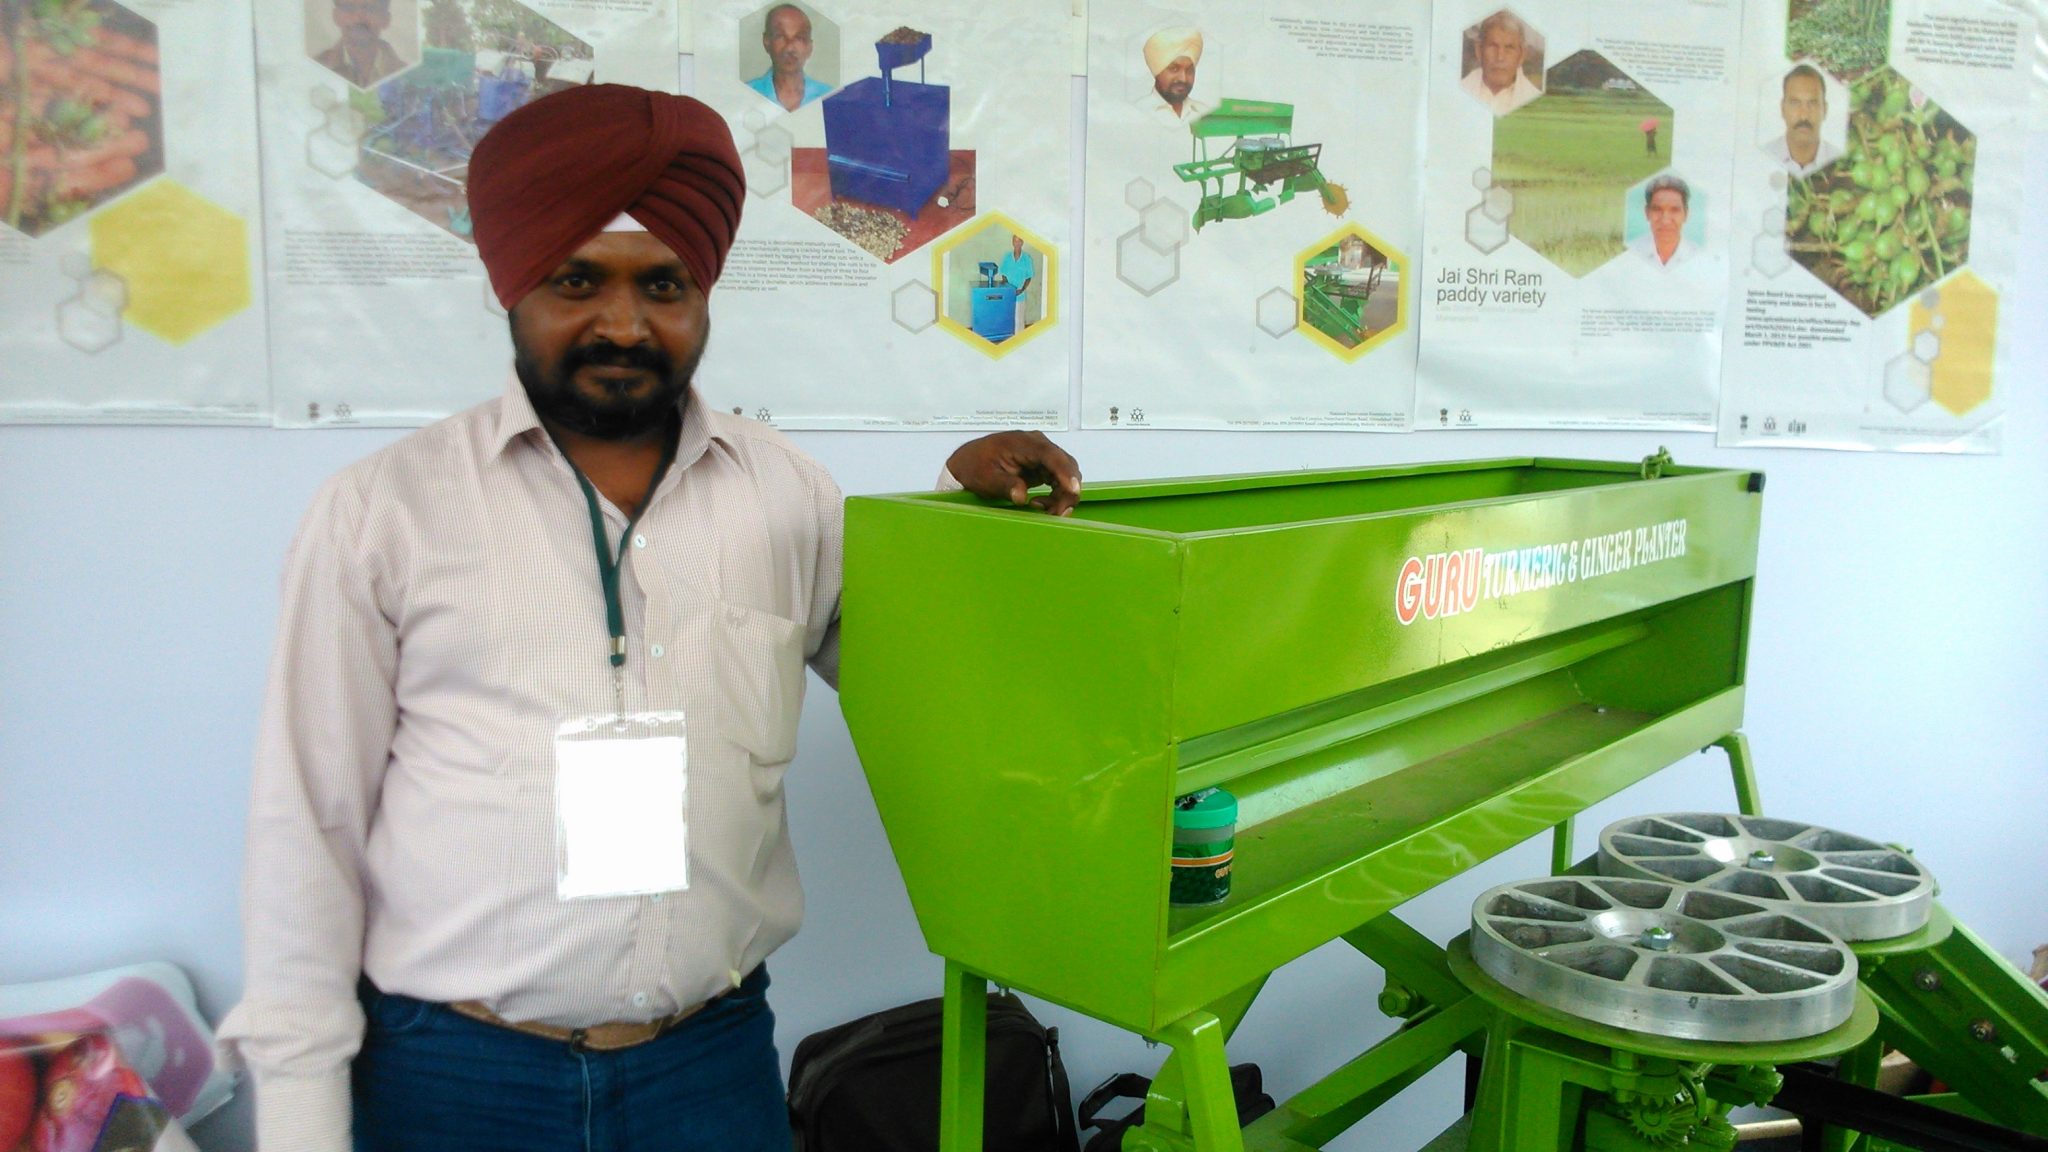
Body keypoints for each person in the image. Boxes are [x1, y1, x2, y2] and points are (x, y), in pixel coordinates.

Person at [217, 84, 1081, 1152]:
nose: (623, 323)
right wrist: (301, 1124)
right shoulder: (382, 513)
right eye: (578, 280)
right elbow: (306, 826)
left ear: (704, 297)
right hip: (453, 1074)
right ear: (513, 288)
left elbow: (929, 679)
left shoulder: (787, 494)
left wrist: (969, 518)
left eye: (663, 284)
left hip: (706, 1069)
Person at [746, 4, 829, 112]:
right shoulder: (745, 94)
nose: (789, 48)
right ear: (766, 42)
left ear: (809, 47)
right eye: (780, 36)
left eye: (799, 38)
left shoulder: (829, 96)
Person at [1460, 11, 1541, 116]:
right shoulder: (1460, 89)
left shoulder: (1535, 98)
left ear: (1521, 55)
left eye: (1509, 48)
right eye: (1493, 46)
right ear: (1479, 51)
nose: (1500, 57)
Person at [314, 0, 408, 89]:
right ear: (336, 16)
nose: (358, 18)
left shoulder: (407, 75)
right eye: (348, 8)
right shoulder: (315, 68)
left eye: (370, 8)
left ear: (385, 19)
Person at [1772, 64, 1841, 177]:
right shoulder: (1764, 157)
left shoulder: (1838, 159)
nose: (1804, 116)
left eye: (1812, 103)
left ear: (1825, 110)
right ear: (1783, 109)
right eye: (1795, 103)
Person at [1142, 26, 1210, 127]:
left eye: (1189, 70)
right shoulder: (1138, 111)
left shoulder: (1205, 112)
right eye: (1174, 69)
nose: (1183, 78)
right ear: (1157, 71)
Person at [1630, 173, 1699, 268]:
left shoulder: (1698, 256)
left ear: (1685, 214)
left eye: (1674, 210)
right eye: (1657, 209)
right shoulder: (1631, 252)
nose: (1665, 221)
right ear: (1647, 213)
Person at [998, 233, 1035, 331]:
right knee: (1007, 318)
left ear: (1022, 242)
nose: (1017, 243)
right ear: (1012, 242)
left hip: (1020, 294)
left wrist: (1022, 289)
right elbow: (1003, 274)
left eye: (1019, 241)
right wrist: (1009, 288)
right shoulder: (1007, 257)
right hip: (1008, 294)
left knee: (1019, 320)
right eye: (1015, 241)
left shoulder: (1027, 258)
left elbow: (1029, 277)